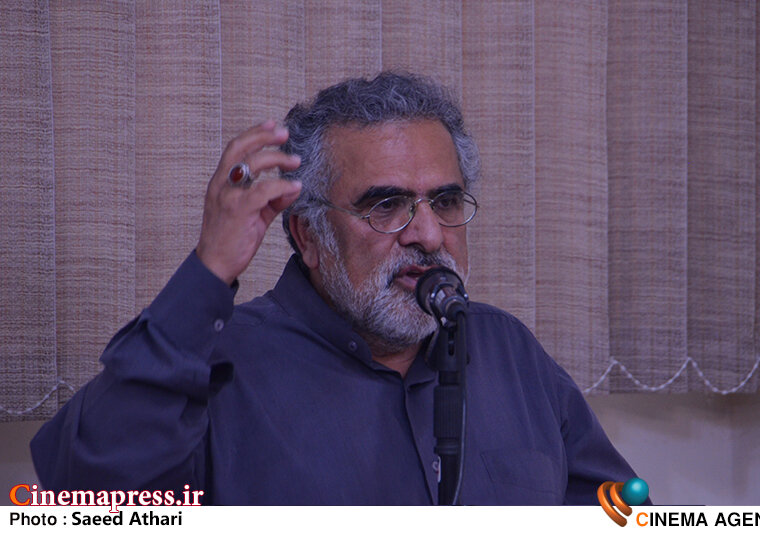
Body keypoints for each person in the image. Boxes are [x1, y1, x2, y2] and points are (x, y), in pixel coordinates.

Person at [31, 72, 641, 505]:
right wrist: (208, 272)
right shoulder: (218, 364)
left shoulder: (508, 351)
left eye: (446, 201)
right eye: (386, 205)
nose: (429, 234)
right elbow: (87, 497)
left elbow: (620, 513)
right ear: (309, 235)